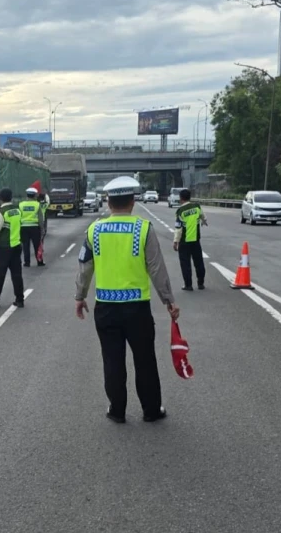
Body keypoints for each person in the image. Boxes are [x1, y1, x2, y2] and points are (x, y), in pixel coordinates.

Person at [75, 176, 180, 424]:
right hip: (137, 309)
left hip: (106, 309)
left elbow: (84, 267)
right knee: (145, 360)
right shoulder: (144, 229)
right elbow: (157, 269)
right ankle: (151, 410)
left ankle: (117, 410)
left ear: (108, 203)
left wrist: (80, 296)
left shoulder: (94, 230)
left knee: (112, 360)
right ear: (132, 202)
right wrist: (169, 300)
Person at [173, 189, 208, 291]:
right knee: (199, 262)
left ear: (181, 198)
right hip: (196, 240)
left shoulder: (180, 211)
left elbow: (178, 228)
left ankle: (188, 285)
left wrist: (176, 242)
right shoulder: (197, 207)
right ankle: (200, 283)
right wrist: (204, 221)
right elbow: (203, 216)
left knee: (185, 264)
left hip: (184, 241)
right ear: (189, 197)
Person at [19, 187, 45, 267]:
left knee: (26, 246)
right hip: (34, 227)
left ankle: (27, 263)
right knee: (37, 245)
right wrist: (42, 229)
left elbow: (19, 217)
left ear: (27, 195)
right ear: (34, 196)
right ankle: (39, 262)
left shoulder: (21, 204)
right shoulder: (37, 205)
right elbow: (40, 218)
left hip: (23, 228)